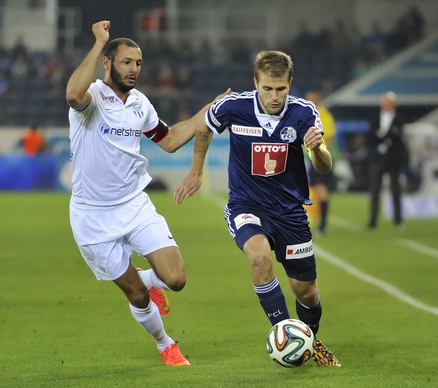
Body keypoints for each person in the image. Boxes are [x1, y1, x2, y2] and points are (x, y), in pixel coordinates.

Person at [65, 20, 227, 367]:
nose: (134, 69)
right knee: (137, 294)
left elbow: (169, 140)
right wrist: (99, 43)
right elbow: (72, 95)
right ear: (108, 63)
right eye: (126, 62)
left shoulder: (140, 104)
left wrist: (208, 110)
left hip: (135, 205)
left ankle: (148, 278)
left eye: (138, 63)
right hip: (92, 216)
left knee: (177, 279)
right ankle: (165, 343)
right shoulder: (92, 97)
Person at [175, 50, 341, 367]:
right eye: (267, 88)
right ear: (256, 83)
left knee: (305, 291)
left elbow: (324, 167)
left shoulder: (305, 113)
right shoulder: (233, 106)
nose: (274, 96)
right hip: (246, 205)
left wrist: (317, 147)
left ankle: (311, 340)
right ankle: (284, 334)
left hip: (290, 212)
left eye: (280, 89)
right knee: (260, 257)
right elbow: (203, 128)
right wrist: (196, 172)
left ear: (290, 83)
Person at [367, 91, 408, 229]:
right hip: (378, 158)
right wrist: (383, 140)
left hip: (393, 159)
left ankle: (398, 220)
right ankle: (373, 221)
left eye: (389, 102)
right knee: (374, 190)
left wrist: (384, 137)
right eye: (385, 101)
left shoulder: (400, 118)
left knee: (396, 190)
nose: (386, 104)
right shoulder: (374, 117)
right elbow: (371, 136)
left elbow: (397, 135)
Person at [304, 90, 336, 234]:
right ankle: (316, 221)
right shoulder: (307, 114)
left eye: (311, 99)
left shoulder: (324, 115)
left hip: (319, 158)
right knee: (314, 189)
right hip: (310, 158)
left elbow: (328, 138)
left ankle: (323, 225)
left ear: (318, 99)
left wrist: (322, 157)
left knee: (321, 189)